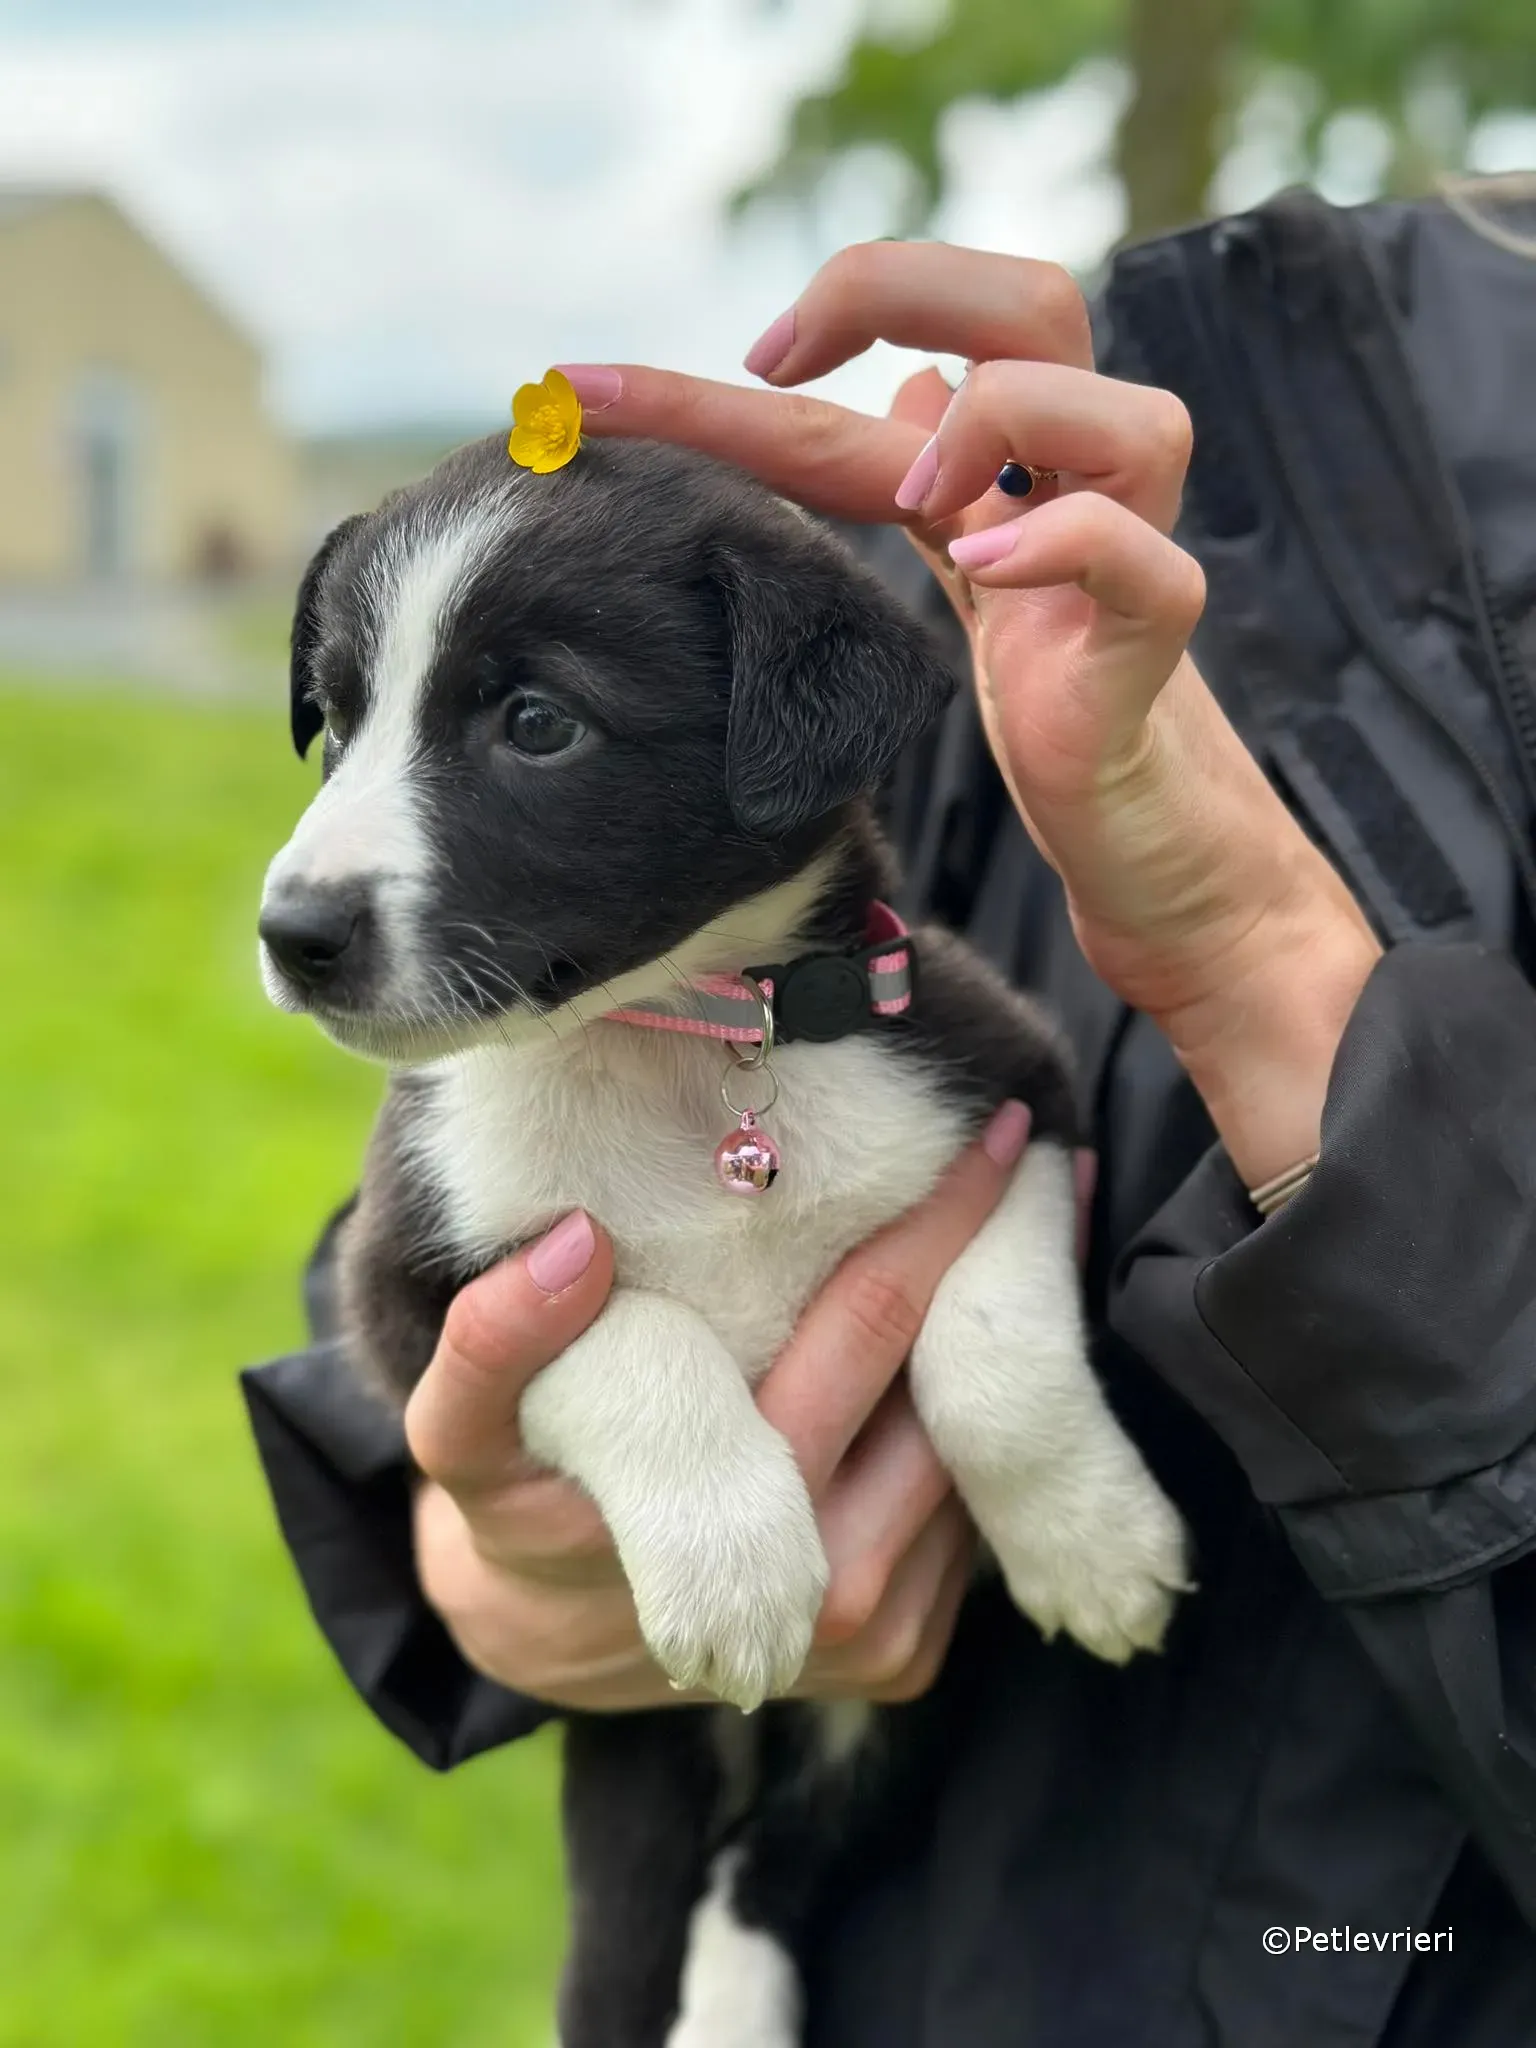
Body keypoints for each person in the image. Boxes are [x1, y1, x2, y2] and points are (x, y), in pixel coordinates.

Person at [245, 188, 1536, 2043]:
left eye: (529, 725)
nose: (315, 869)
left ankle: (764, 1903)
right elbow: (400, 1305)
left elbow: (1014, 1136)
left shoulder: (894, 991)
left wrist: (1019, 1410)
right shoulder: (1031, 473)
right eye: (347, 715)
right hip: (718, 1824)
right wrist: (479, 1534)